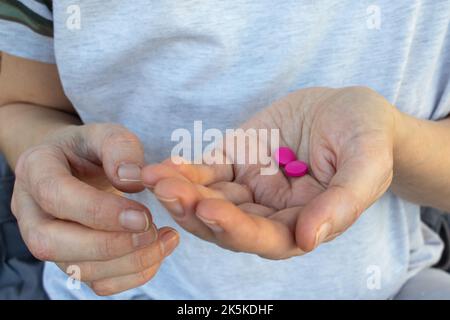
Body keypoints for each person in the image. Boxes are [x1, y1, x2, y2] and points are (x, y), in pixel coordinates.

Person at [0, 1, 449, 299]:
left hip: (389, 285)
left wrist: (390, 139)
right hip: (115, 289)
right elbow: (19, 103)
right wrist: (45, 160)